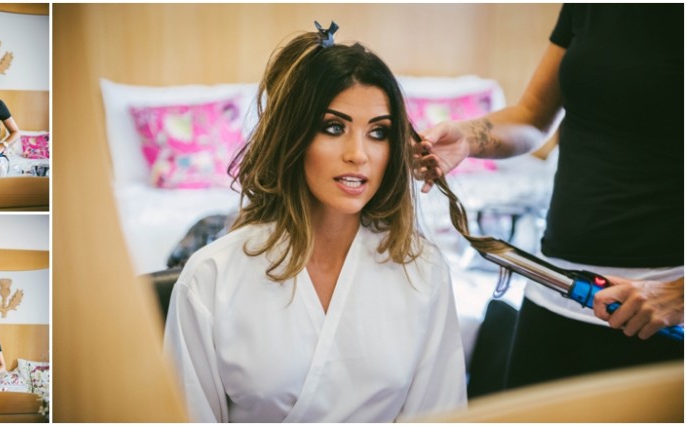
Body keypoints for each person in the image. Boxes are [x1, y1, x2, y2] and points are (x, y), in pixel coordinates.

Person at [164, 22, 466, 422]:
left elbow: (441, 415)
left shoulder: (423, 271)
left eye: (378, 133)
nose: (359, 154)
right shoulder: (210, 278)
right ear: (294, 136)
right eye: (334, 127)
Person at [416, 4, 683, 389]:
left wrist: (679, 294)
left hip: (652, 317)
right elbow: (533, 116)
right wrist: (468, 136)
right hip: (553, 291)